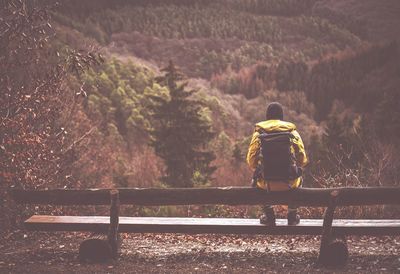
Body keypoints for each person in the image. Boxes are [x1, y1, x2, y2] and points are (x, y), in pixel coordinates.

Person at [246, 102, 308, 226]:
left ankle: (269, 215)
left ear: (267, 117)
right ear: (281, 117)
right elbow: (302, 159)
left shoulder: (259, 133)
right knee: (299, 178)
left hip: (266, 184)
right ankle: (292, 215)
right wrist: (296, 166)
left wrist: (260, 168)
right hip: (289, 183)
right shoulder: (292, 132)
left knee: (255, 181)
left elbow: (251, 161)